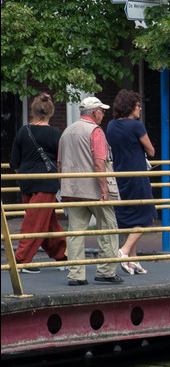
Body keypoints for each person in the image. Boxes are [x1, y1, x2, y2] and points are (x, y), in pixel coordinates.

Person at [59, 95, 121, 286]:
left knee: (75, 232)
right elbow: (99, 162)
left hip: (72, 189)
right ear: (94, 112)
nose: (103, 114)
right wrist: (104, 188)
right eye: (101, 111)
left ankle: (76, 274)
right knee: (109, 228)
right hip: (94, 190)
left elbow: (60, 164)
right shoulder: (95, 131)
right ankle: (106, 270)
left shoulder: (67, 132)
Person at [9, 93, 67, 272]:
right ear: (50, 112)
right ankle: (22, 260)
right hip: (46, 182)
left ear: (33, 110)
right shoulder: (56, 133)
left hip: (26, 181)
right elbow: (61, 161)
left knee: (44, 220)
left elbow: (14, 162)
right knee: (35, 222)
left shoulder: (23, 131)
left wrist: (24, 176)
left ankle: (60, 255)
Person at [107, 89, 156, 275]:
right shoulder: (136, 126)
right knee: (146, 216)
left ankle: (133, 261)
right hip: (137, 176)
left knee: (129, 217)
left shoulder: (110, 126)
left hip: (120, 175)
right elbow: (151, 151)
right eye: (137, 105)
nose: (140, 108)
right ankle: (124, 251)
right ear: (130, 107)